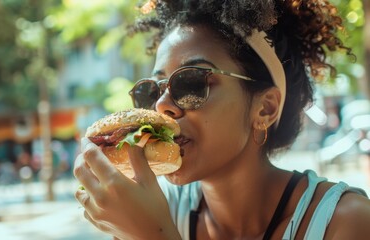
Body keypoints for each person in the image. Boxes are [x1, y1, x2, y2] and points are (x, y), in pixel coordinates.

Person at [73, 0, 370, 239]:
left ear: (264, 109)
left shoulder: (346, 222)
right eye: (151, 91)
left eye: (190, 83)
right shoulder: (155, 206)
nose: (162, 106)